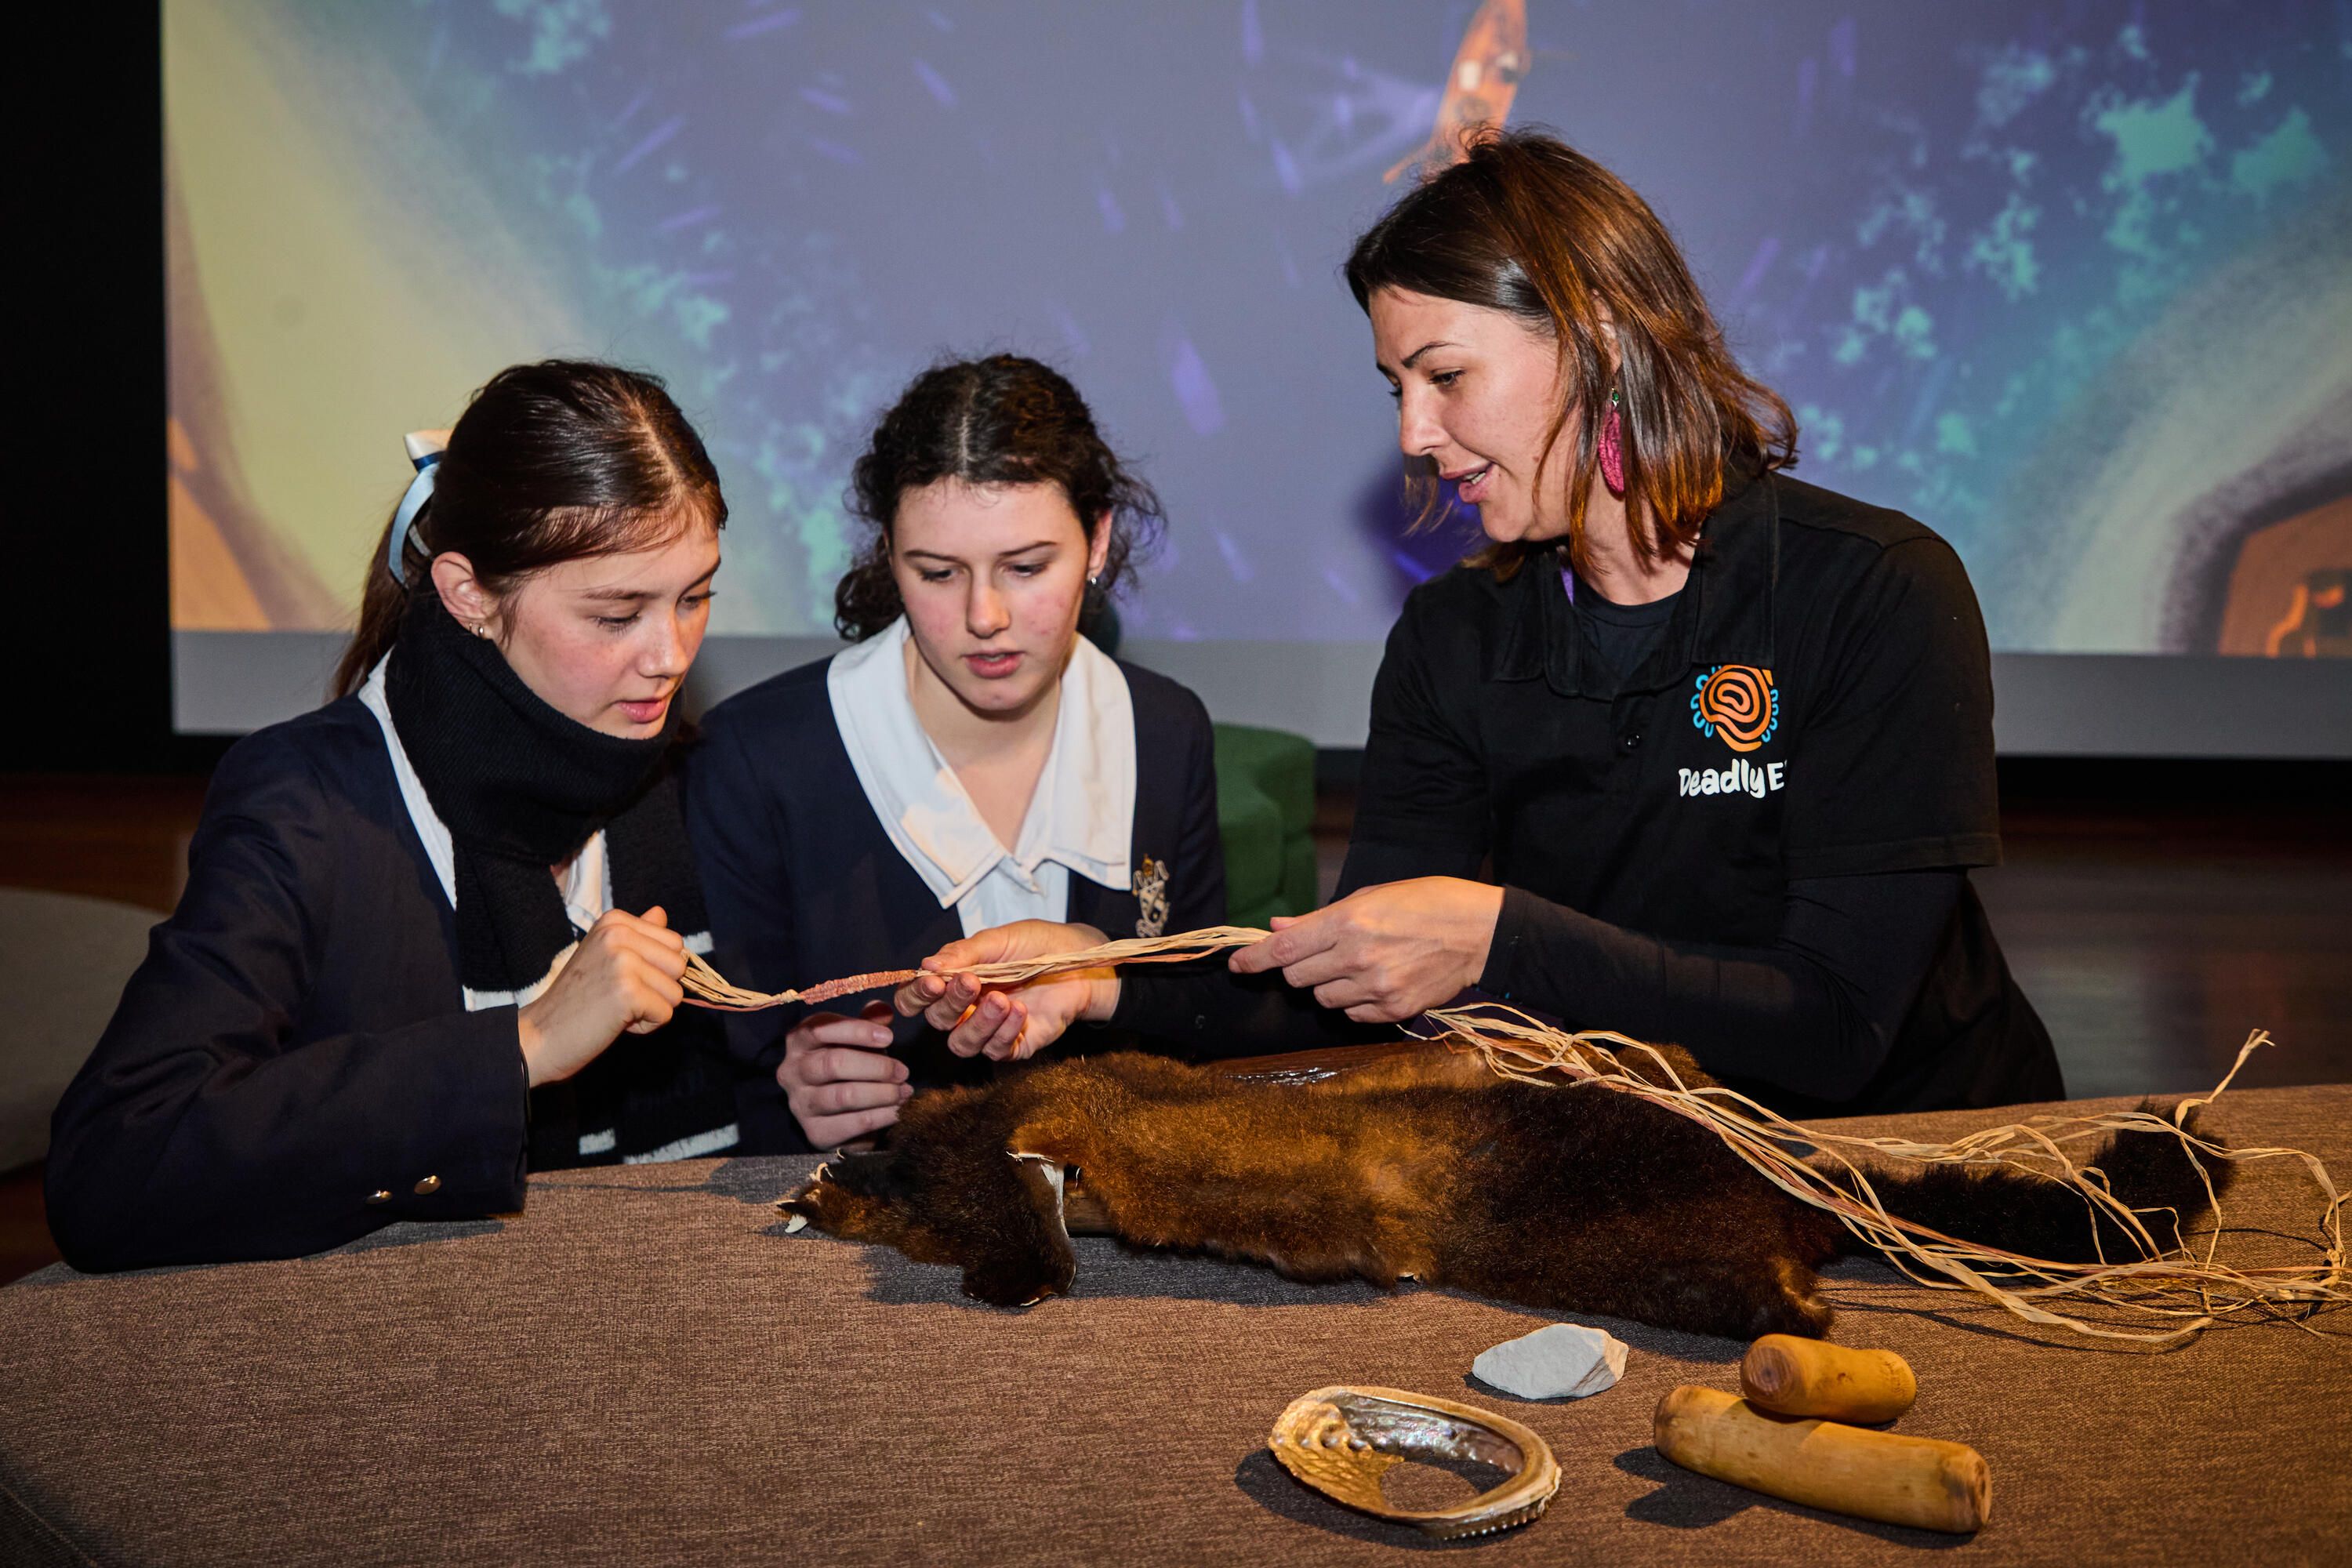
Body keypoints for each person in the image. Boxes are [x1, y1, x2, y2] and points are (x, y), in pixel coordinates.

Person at [902, 131, 2064, 1119]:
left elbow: (1835, 1027)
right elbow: (1354, 971)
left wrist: (1505, 944)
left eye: (1444, 376)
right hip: (1659, 1175)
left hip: (1932, 1177)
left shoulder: (1872, 590)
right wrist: (1104, 978)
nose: (1413, 432)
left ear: (1602, 338)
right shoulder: (1456, 639)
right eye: (1394, 388)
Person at [47, 361, 739, 1271]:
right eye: (617, 614)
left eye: (695, 598)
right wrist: (523, 1044)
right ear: (467, 593)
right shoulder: (307, 801)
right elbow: (113, 1168)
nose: (669, 655)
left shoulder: (694, 776)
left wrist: (805, 1092)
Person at [684, 354, 1225, 1152]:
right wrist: (791, 1088)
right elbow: (722, 1072)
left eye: (1028, 566)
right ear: (889, 555)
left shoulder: (1162, 731)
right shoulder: (761, 758)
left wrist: (1106, 984)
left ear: (1099, 538)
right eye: (937, 572)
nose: (986, 615)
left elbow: (1208, 1022)